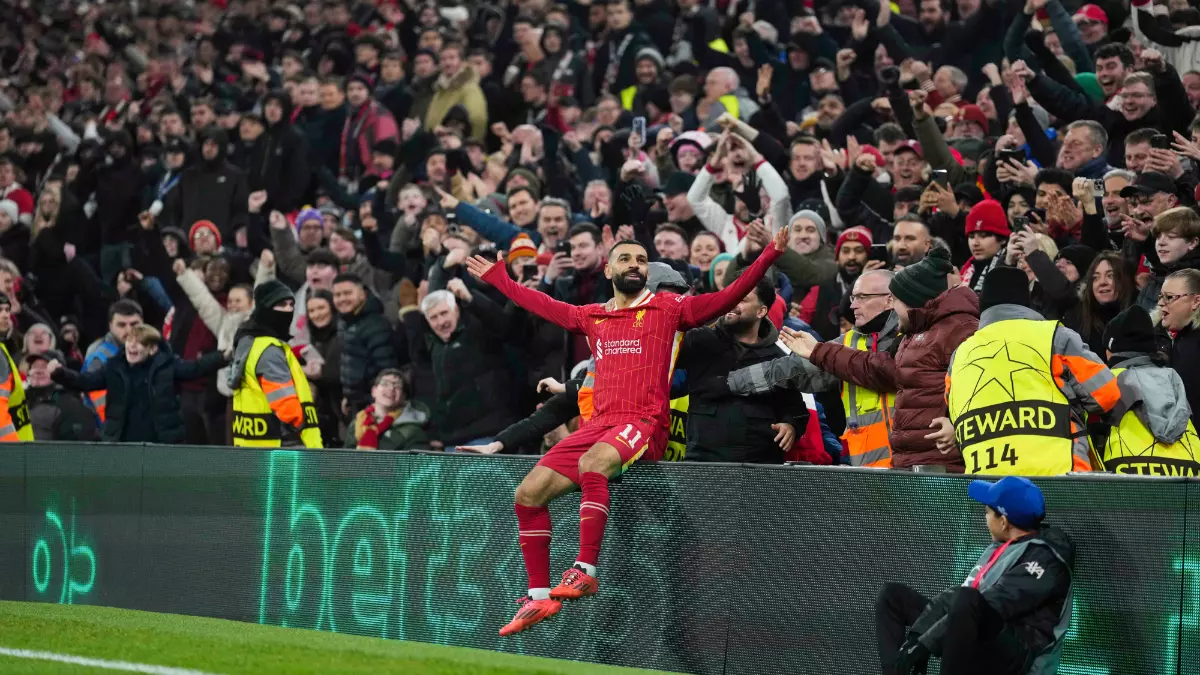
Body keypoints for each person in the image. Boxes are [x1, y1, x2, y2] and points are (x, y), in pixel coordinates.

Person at [464, 224, 789, 636]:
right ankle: (539, 596)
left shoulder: (671, 309)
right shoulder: (594, 316)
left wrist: (768, 256)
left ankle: (584, 569)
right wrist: (501, 281)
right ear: (608, 270)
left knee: (591, 464)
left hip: (643, 422)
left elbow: (727, 295)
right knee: (527, 495)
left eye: (641, 260)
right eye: (626, 259)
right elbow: (543, 304)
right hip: (599, 425)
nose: (635, 265)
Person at [781, 248, 979, 471]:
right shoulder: (916, 337)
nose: (892, 307)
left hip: (943, 472)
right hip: (914, 468)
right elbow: (875, 368)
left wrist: (958, 426)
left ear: (913, 301)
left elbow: (985, 390)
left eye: (896, 300)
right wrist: (818, 351)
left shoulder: (961, 332)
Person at [876, 477, 1074, 675]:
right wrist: (915, 640)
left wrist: (926, 644)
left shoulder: (1047, 559)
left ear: (1004, 522)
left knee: (967, 600)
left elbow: (993, 603)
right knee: (892, 596)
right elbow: (955, 598)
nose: (984, 518)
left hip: (1020, 659)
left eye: (987, 512)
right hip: (977, 632)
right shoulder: (1003, 545)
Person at [935, 267, 1122, 475]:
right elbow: (1106, 394)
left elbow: (953, 413)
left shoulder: (959, 355)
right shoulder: (1055, 337)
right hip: (1059, 481)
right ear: (1026, 301)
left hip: (988, 489)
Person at [728, 269, 900, 467]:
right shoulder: (847, 343)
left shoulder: (914, 338)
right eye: (853, 297)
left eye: (862, 297)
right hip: (867, 474)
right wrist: (730, 382)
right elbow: (789, 371)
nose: (852, 304)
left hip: (915, 469)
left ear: (889, 299)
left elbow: (885, 373)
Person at [675, 276, 809, 463]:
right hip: (702, 464)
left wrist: (791, 426)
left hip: (759, 470)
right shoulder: (698, 340)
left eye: (742, 299)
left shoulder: (778, 358)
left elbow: (796, 410)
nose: (732, 302)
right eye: (731, 295)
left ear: (761, 311)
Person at [48, 325, 225, 443]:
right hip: (122, 443)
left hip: (160, 443)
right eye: (130, 341)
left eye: (140, 343)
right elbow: (84, 381)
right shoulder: (114, 367)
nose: (132, 346)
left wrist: (223, 357)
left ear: (152, 349)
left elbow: (196, 368)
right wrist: (61, 373)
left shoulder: (168, 366)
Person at [1099, 305, 1200, 475]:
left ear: (1110, 350)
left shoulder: (1106, 382)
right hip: (1189, 477)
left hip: (1124, 477)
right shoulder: (1174, 379)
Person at [228, 280, 323, 448]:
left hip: (257, 446)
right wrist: (300, 423)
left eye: (291, 304)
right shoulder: (269, 349)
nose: (288, 310)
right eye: (280, 305)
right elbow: (285, 403)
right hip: (285, 444)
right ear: (265, 308)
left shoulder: (248, 342)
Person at [332, 274, 397, 416]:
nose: (342, 299)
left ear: (362, 293)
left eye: (348, 293)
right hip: (356, 403)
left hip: (374, 406)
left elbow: (386, 370)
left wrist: (379, 405)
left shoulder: (376, 325)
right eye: (337, 295)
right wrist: (349, 396)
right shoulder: (345, 321)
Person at [82, 300, 144, 423]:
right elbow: (104, 411)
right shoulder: (98, 358)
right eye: (121, 325)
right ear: (110, 326)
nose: (129, 330)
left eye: (134, 324)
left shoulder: (148, 349)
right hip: (109, 436)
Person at [1155, 269, 1200, 429]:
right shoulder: (1156, 336)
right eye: (1160, 296)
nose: (1161, 303)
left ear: (1195, 301)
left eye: (1169, 297)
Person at [345, 369, 431, 450]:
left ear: (403, 397)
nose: (391, 388)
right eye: (385, 383)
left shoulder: (412, 431)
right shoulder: (358, 422)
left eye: (398, 385)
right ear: (374, 391)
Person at [23, 350, 97, 441]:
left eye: (45, 367)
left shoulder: (71, 405)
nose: (38, 371)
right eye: (34, 366)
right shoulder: (19, 401)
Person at [0, 291, 31, 441]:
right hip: (8, 451)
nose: (6, 315)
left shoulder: (3, 348)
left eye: (7, 309)